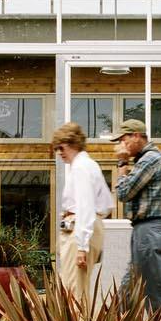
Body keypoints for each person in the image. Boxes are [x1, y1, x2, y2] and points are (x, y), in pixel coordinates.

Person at [109, 117, 161, 321]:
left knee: (157, 293)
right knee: (127, 292)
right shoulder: (151, 159)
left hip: (150, 231)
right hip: (148, 231)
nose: (121, 145)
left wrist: (122, 164)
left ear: (137, 136)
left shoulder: (150, 160)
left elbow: (124, 192)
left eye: (123, 139)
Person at [51, 121, 114, 306]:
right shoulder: (88, 165)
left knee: (74, 292)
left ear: (73, 143)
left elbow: (85, 206)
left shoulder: (81, 167)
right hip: (83, 226)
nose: (59, 152)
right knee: (76, 289)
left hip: (79, 227)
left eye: (61, 147)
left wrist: (82, 246)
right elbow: (106, 204)